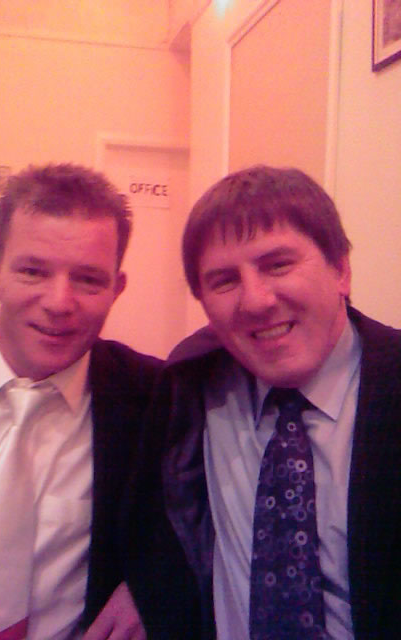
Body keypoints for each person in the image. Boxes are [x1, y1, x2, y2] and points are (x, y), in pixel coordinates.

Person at [125, 165, 401, 640]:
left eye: (278, 265)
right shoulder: (189, 386)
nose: (255, 301)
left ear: (341, 269)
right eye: (224, 281)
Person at [0, 163, 161, 639]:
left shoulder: (153, 400)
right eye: (32, 271)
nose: (58, 302)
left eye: (88, 280)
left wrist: (149, 584)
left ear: (117, 288)